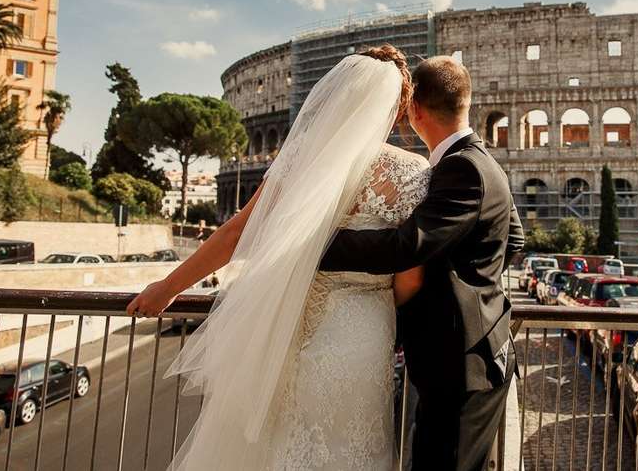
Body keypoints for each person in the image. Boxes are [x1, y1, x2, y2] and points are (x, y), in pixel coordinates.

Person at [126, 45, 433, 470]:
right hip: (363, 327)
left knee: (281, 438)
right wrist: (379, 301)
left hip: (289, 323)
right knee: (352, 446)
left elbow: (236, 233)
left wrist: (167, 288)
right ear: (398, 109)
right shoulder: (411, 172)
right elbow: (411, 279)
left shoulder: (301, 156)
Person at [320, 55, 525, 471]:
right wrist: (471, 280)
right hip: (474, 356)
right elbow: (515, 240)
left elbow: (407, 245)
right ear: (464, 103)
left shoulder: (462, 168)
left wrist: (317, 248)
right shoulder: (482, 161)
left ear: (414, 110)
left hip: (461, 363)